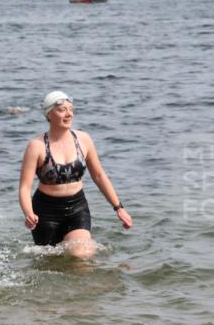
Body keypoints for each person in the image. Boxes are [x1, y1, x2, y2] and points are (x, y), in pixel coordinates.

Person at [19, 90, 132, 258]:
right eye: (62, 110)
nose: (68, 114)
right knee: (50, 263)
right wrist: (28, 213)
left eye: (70, 109)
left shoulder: (83, 139)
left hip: (77, 208)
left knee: (83, 254)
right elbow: (24, 187)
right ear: (49, 114)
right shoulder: (36, 146)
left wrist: (118, 207)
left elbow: (99, 175)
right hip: (46, 212)